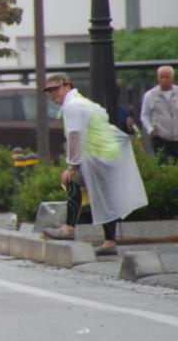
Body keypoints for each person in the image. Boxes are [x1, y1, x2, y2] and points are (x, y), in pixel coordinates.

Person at [43, 74, 147, 255]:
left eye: (56, 89)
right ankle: (109, 242)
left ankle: (69, 229)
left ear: (68, 86)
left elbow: (76, 136)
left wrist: (72, 166)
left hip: (103, 155)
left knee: (74, 181)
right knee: (104, 195)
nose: (53, 94)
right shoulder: (78, 103)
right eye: (49, 91)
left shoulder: (74, 106)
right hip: (105, 153)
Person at [140, 65, 177, 165]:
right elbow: (144, 115)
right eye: (161, 77)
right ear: (158, 78)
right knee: (164, 164)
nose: (164, 79)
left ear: (172, 78)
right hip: (160, 137)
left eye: (166, 77)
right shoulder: (150, 95)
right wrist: (150, 129)